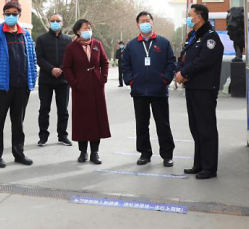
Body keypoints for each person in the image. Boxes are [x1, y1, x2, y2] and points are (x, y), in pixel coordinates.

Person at [0, 1, 38, 168]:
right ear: (4, 14)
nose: (11, 16)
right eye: (8, 13)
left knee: (18, 123)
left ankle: (19, 154)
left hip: (22, 88)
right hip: (1, 88)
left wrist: (32, 80)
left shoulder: (26, 35)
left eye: (14, 13)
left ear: (19, 15)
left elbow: (32, 60)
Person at [120, 11, 177, 167]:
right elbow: (125, 65)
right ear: (138, 24)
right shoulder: (132, 45)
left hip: (159, 90)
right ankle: (145, 153)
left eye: (148, 20)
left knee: (162, 123)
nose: (145, 23)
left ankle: (167, 155)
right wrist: (131, 81)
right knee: (141, 124)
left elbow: (171, 63)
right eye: (142, 21)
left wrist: (165, 79)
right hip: (139, 91)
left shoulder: (163, 43)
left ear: (153, 22)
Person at [176, 4, 224, 180]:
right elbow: (184, 57)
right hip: (192, 88)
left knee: (206, 128)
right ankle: (199, 164)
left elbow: (204, 61)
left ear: (199, 17)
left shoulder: (211, 38)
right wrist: (180, 71)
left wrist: (185, 73)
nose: (188, 19)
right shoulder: (193, 37)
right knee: (195, 127)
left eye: (190, 15)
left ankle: (209, 167)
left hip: (204, 89)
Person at [62, 19, 111, 164]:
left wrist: (103, 78)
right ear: (78, 31)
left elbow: (105, 62)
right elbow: (67, 67)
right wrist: (74, 83)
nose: (88, 30)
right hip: (80, 88)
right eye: (85, 28)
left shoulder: (97, 44)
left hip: (96, 86)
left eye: (89, 27)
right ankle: (83, 152)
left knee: (96, 119)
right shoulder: (71, 47)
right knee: (82, 120)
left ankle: (95, 152)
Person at [35, 13, 73, 147]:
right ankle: (43, 136)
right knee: (44, 109)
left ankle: (62, 135)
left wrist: (60, 69)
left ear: (62, 23)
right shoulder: (42, 39)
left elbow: (70, 59)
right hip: (46, 79)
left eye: (58, 20)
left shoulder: (68, 40)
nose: (55, 22)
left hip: (63, 81)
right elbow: (39, 58)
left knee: (63, 110)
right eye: (53, 21)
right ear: (49, 23)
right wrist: (51, 69)